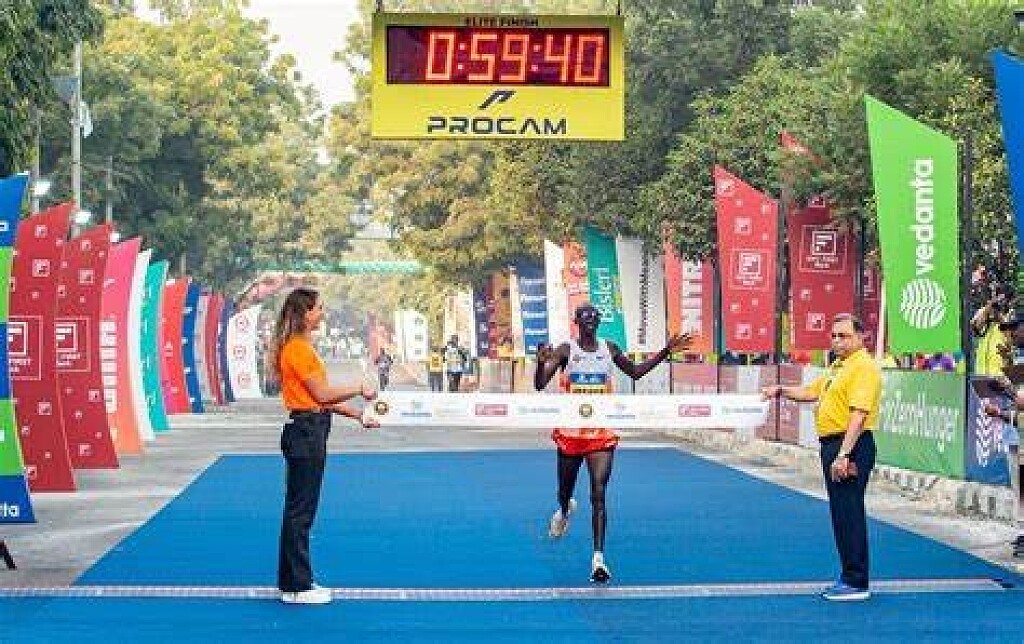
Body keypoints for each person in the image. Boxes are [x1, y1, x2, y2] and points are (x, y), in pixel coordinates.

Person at [534, 303, 690, 584]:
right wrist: (539, 363)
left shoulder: (610, 348)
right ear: (576, 322)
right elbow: (540, 384)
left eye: (594, 318)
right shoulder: (566, 350)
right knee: (564, 491)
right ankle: (564, 510)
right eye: (585, 318)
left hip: (600, 433)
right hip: (571, 432)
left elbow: (636, 372)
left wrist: (665, 352)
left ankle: (598, 559)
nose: (590, 321)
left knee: (599, 493)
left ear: (599, 322)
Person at [268, 287, 378, 605]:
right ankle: (297, 586)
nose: (322, 313)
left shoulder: (303, 348)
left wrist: (358, 415)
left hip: (311, 427)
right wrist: (359, 387)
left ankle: (293, 581)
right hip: (305, 432)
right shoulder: (297, 350)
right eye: (318, 308)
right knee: (300, 512)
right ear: (304, 314)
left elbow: (320, 399)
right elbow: (322, 394)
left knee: (300, 510)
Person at [761, 313, 881, 601]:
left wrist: (844, 454)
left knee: (849, 513)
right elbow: (810, 392)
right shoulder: (838, 367)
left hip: (849, 446)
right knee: (841, 513)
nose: (837, 341)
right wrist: (781, 390)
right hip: (832, 444)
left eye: (844, 336)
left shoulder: (863, 368)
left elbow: (859, 415)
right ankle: (849, 575)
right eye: (834, 336)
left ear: (861, 337)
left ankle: (856, 580)